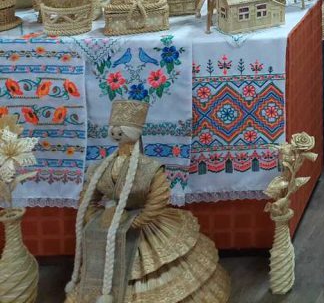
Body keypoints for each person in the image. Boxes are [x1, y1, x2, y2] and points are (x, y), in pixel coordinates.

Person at [64, 99, 229, 303]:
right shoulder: (101, 167)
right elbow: (89, 196)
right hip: (112, 225)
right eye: (114, 129)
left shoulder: (150, 167)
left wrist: (136, 221)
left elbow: (158, 198)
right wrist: (96, 218)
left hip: (145, 224)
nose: (116, 133)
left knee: (157, 264)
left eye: (121, 129)